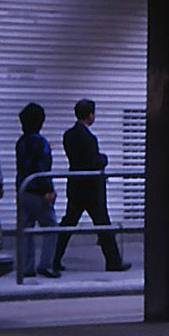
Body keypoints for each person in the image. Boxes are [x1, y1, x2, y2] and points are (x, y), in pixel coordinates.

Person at [53, 99, 130, 273]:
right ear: (90, 115)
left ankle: (54, 258)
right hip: (92, 188)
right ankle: (113, 261)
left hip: (76, 185)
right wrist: (104, 159)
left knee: (68, 223)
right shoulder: (89, 138)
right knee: (103, 224)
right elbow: (93, 161)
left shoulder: (68, 135)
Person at [15, 102, 60, 278]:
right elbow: (43, 168)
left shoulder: (21, 142)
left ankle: (27, 267)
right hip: (38, 192)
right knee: (51, 227)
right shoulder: (41, 143)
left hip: (23, 190)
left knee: (26, 229)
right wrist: (49, 190)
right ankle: (45, 264)